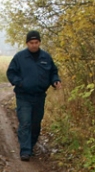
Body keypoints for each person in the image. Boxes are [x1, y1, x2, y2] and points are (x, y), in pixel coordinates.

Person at [6, 30, 62, 161]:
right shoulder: (20, 57)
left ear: (39, 43)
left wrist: (55, 81)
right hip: (23, 96)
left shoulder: (46, 58)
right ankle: (25, 151)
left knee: (35, 124)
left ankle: (30, 146)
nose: (34, 45)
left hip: (39, 96)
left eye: (36, 42)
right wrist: (19, 83)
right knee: (25, 122)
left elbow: (53, 72)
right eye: (31, 43)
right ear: (27, 43)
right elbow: (11, 73)